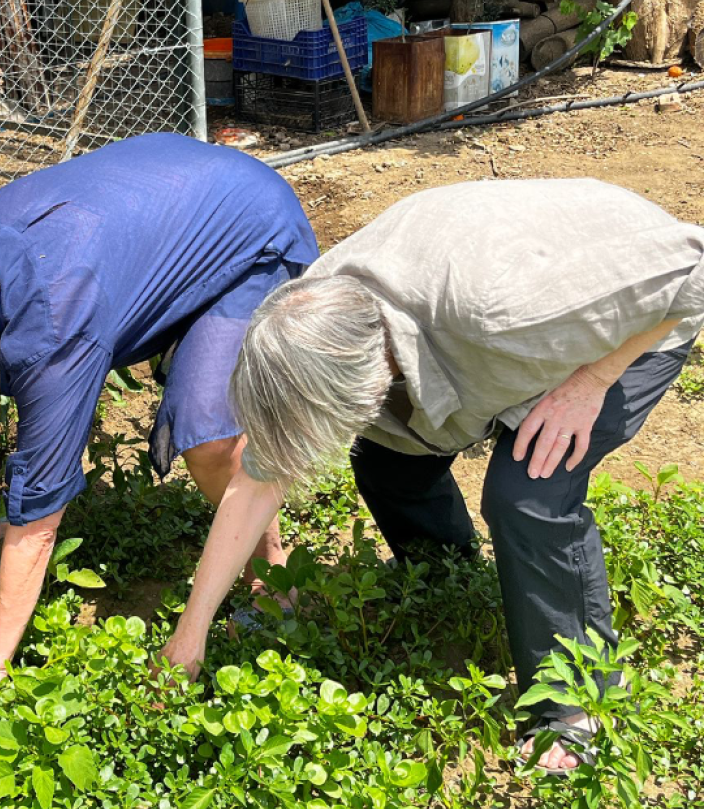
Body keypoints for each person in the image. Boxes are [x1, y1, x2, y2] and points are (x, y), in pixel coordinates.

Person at [229, 178, 704, 774]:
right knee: (385, 450)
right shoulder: (310, 315)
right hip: (516, 301)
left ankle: (578, 700)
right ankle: (441, 569)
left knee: (527, 490)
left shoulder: (499, 309)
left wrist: (591, 381)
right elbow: (256, 478)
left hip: (633, 320)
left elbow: (694, 267)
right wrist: (190, 637)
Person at [0, 132, 319, 717]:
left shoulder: (54, 318)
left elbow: (41, 526)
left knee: (208, 436)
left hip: (249, 232)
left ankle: (272, 575)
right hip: (173, 182)